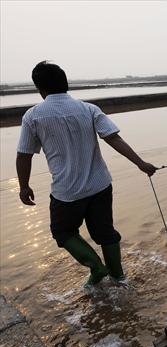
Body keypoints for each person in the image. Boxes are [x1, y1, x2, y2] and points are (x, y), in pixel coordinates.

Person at [16, 61, 158, 288]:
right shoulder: (88, 109)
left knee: (62, 231)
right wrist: (140, 163)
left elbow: (24, 155)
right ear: (66, 84)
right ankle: (119, 277)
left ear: (40, 89)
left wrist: (24, 186)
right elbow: (113, 138)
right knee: (105, 232)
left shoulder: (33, 116)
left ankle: (96, 267)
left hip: (67, 192)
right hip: (100, 185)